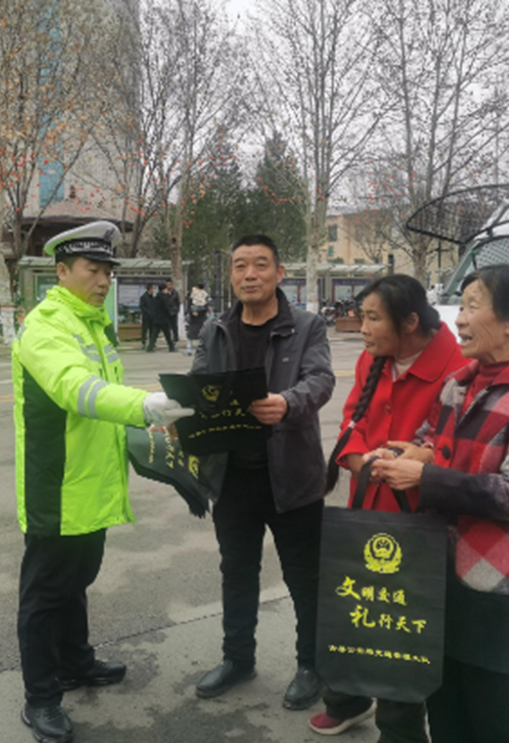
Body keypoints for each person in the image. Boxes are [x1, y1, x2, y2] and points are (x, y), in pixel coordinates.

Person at [376, 264, 509, 743]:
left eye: (473, 306)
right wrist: (413, 453)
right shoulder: (459, 383)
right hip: (435, 566)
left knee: (491, 704)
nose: (460, 319)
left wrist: (426, 476)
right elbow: (432, 437)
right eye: (461, 306)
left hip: (495, 574)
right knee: (442, 695)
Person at [14, 221, 194, 743]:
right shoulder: (46, 326)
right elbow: (76, 389)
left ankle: (75, 663)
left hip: (91, 481)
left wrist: (148, 415)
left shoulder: (92, 323)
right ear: (61, 271)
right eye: (92, 270)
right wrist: (146, 406)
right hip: (57, 485)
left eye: (108, 272)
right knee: (46, 595)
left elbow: (104, 393)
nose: (103, 281)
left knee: (75, 583)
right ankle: (41, 697)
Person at [308, 275, 468, 739]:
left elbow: (457, 446)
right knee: (352, 608)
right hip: (367, 505)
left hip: (419, 518)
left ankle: (400, 730)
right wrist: (360, 460)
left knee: (400, 626)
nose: (362, 328)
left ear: (410, 322)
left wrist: (418, 460)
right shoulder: (371, 359)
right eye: (362, 317)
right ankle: (347, 699)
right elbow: (352, 419)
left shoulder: (458, 368)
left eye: (373, 318)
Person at [192, 234, 335, 710]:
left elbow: (321, 379)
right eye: (240, 265)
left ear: (279, 273)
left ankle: (311, 665)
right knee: (237, 573)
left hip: (292, 477)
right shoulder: (215, 329)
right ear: (231, 274)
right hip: (232, 478)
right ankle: (238, 658)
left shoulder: (307, 326)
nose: (249, 274)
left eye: (259, 264)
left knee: (304, 578)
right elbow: (197, 385)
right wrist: (178, 413)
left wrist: (288, 403)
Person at [148, 282, 174, 352]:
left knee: (154, 334)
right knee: (167, 334)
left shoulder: (155, 297)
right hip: (164, 319)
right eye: (166, 289)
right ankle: (171, 347)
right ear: (164, 289)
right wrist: (169, 315)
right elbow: (166, 308)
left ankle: (150, 347)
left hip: (156, 319)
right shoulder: (164, 298)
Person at [185, 281, 210, 356]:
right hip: (202, 317)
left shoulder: (193, 294)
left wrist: (192, 312)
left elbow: (189, 305)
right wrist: (200, 312)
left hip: (193, 317)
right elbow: (207, 307)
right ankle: (203, 350)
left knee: (191, 334)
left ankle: (189, 350)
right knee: (203, 334)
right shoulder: (205, 295)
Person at [162, 278, 181, 344]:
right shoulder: (165, 292)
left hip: (174, 311)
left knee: (174, 325)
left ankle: (176, 337)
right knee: (167, 326)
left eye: (170, 285)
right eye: (167, 285)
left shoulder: (175, 292)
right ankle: (168, 338)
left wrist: (177, 310)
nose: (169, 286)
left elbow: (178, 302)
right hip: (166, 312)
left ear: (172, 285)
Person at [139, 283, 156, 349]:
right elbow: (142, 307)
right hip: (146, 316)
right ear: (150, 289)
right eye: (153, 288)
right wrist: (148, 312)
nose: (153, 290)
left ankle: (152, 343)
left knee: (152, 330)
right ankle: (143, 342)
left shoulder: (152, 297)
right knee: (145, 330)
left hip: (152, 317)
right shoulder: (144, 297)